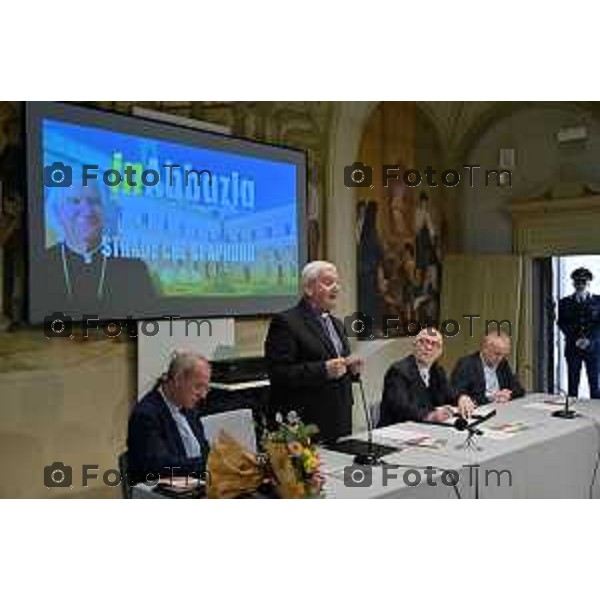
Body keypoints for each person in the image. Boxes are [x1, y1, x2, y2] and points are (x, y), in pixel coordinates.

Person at [264, 260, 362, 442]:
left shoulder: (337, 324)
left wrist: (352, 369)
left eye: (337, 283)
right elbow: (279, 373)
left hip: (339, 419)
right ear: (309, 289)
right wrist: (323, 370)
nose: (336, 288)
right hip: (306, 424)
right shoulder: (286, 322)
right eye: (328, 282)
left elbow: (338, 368)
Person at [40, 180, 156, 317]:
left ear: (105, 211)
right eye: (75, 201)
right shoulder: (41, 265)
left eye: (94, 201)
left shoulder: (135, 269)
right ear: (58, 212)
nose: (87, 211)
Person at [127, 351, 211, 484]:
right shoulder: (146, 415)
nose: (203, 395)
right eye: (198, 387)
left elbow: (203, 449)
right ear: (178, 380)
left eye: (206, 388)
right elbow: (161, 467)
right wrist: (207, 465)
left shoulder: (189, 408)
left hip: (195, 483)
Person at [378, 328, 475, 426]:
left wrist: (461, 398)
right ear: (414, 345)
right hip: (395, 430)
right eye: (423, 342)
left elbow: (449, 393)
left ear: (440, 352)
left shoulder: (437, 370)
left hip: (424, 428)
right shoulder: (398, 371)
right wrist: (430, 415)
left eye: (434, 344)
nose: (428, 347)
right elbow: (401, 407)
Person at [557, 267, 600, 398]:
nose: (580, 285)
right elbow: (562, 323)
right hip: (573, 348)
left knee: (594, 385)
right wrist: (576, 339)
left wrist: (590, 340)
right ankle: (571, 412)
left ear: (588, 283)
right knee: (572, 384)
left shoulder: (598, 301)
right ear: (573, 283)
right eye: (577, 282)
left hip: (593, 349)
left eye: (583, 282)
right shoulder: (564, 302)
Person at [451, 332, 525, 405]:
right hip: (480, 410)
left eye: (504, 355)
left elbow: (519, 389)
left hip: (501, 408)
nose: (500, 358)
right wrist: (490, 397)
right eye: (497, 354)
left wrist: (509, 395)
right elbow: (457, 394)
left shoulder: (503, 364)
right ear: (485, 349)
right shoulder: (467, 364)